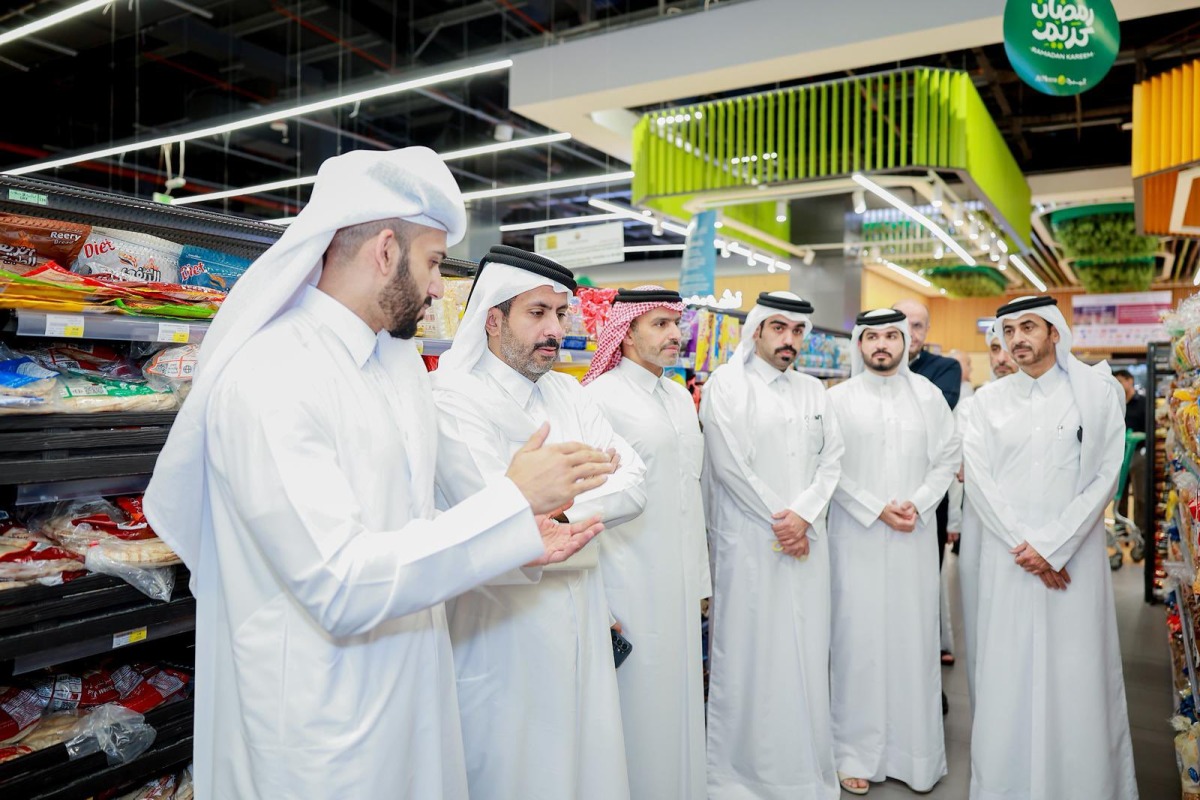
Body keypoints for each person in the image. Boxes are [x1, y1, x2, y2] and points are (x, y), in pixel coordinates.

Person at [141, 149, 616, 799]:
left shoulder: (392, 370)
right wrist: (509, 498)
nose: (436, 289)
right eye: (431, 263)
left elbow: (406, 533)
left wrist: (517, 531)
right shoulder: (272, 374)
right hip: (316, 727)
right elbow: (338, 581)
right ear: (385, 250)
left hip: (409, 699)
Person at [432, 245, 648, 800]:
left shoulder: (567, 392)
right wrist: (571, 488)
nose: (554, 329)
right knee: (514, 770)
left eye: (559, 313)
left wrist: (562, 510)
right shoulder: (452, 399)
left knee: (587, 765)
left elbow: (636, 483)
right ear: (493, 318)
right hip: (503, 627)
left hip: (581, 608)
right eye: (537, 313)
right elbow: (488, 510)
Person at [964, 296, 1138, 799]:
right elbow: (979, 480)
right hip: (1010, 560)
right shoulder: (986, 403)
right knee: (1006, 674)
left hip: (1075, 560)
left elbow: (1107, 473)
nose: (1017, 338)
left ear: (1054, 332)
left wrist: (1055, 546)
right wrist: (1029, 548)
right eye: (1009, 329)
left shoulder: (1095, 394)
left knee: (1077, 675)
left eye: (1029, 327)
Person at [699, 291, 845, 800]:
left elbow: (833, 460)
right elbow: (729, 465)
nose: (789, 341)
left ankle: (804, 773)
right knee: (749, 656)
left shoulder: (814, 390)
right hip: (749, 547)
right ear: (757, 330)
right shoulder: (726, 385)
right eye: (779, 329)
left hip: (806, 546)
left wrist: (803, 515)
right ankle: (740, 777)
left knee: (805, 655)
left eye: (798, 331)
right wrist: (783, 521)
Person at [581, 287, 711, 800]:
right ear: (627, 331)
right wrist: (599, 599)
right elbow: (586, 502)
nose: (675, 335)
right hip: (626, 582)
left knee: (678, 704)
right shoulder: (597, 398)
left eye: (676, 324)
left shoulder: (679, 396)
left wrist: (700, 580)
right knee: (637, 707)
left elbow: (690, 495)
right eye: (659, 324)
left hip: (678, 584)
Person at [827, 308, 958, 795]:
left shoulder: (928, 396)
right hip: (854, 538)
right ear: (859, 344)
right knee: (856, 644)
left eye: (890, 336)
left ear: (905, 341)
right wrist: (875, 507)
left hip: (912, 536)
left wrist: (919, 503)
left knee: (911, 641)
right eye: (872, 337)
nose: (882, 345)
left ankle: (915, 756)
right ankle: (852, 754)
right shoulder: (837, 400)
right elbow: (829, 467)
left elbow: (948, 456)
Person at [893, 299, 962, 704]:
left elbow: (934, 419)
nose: (909, 333)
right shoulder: (867, 365)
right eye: (901, 324)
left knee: (922, 598)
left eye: (917, 326)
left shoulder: (944, 371)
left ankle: (925, 691)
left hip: (923, 507)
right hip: (872, 507)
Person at [946, 323, 1017, 711]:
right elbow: (963, 470)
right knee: (982, 632)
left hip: (1037, 545)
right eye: (994, 349)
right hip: (981, 534)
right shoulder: (972, 406)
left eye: (1009, 348)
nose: (1003, 358)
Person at [1113, 369, 1148, 529]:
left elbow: (1151, 428)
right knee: (1119, 494)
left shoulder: (1143, 402)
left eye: (1120, 381)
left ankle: (1140, 531)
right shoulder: (1114, 403)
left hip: (1138, 453)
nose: (1117, 386)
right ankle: (1121, 531)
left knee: (1140, 495)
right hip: (1118, 454)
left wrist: (1141, 436)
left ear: (1130, 380)